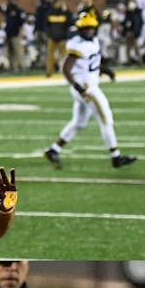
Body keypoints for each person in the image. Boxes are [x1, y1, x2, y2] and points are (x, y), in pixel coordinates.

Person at [42, 13, 135, 170]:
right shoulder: (76, 44)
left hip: (89, 85)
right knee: (106, 119)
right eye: (86, 28)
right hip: (86, 88)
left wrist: (104, 70)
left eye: (92, 28)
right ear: (80, 29)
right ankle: (116, 156)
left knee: (79, 122)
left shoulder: (94, 41)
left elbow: (91, 64)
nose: (90, 31)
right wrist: (78, 87)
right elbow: (66, 69)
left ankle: (54, 150)